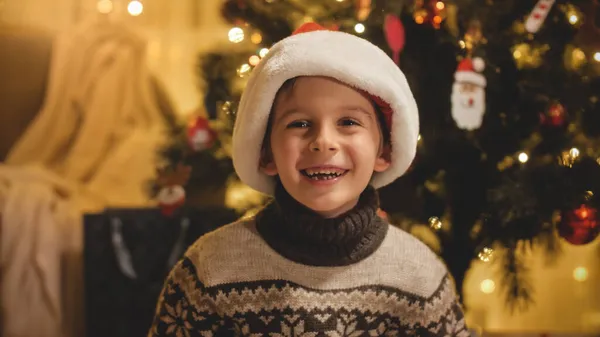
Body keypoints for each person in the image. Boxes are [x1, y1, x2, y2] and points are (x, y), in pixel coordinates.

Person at [148, 22, 469, 337]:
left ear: (384, 150)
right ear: (266, 153)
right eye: (299, 123)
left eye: (348, 122)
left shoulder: (418, 278)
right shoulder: (210, 269)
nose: (323, 141)